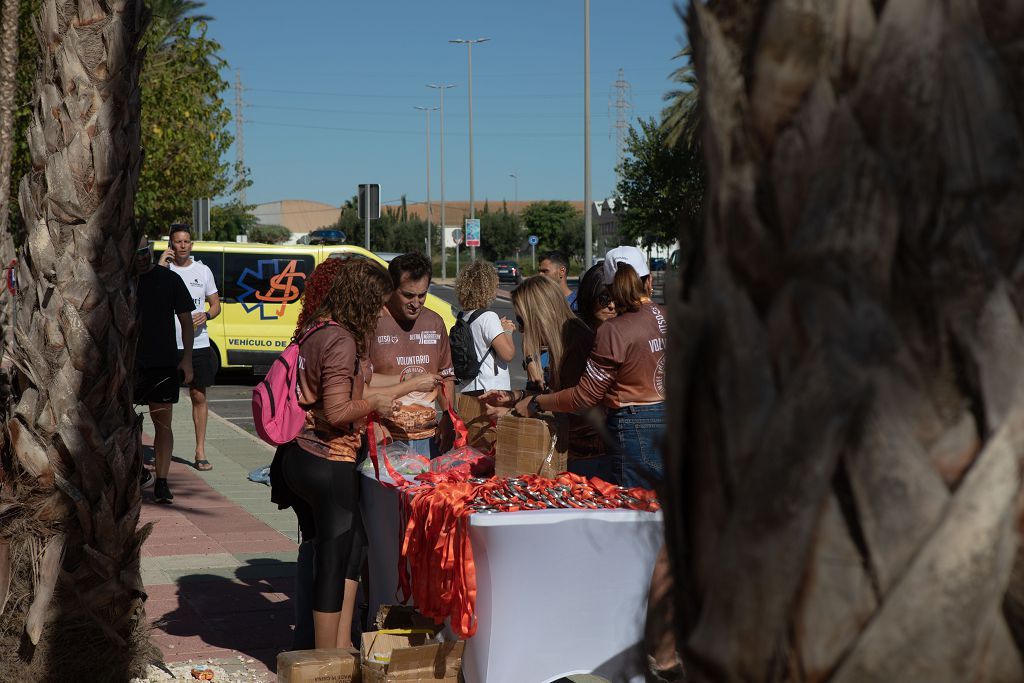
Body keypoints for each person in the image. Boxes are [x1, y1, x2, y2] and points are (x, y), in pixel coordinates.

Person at [273, 258, 398, 650]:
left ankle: (342, 647)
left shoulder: (316, 328)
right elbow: (337, 410)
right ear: (361, 298)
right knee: (333, 558)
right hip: (328, 461)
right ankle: (326, 658)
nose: (382, 312)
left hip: (301, 457)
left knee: (351, 547)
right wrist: (379, 402)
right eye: (378, 303)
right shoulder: (341, 339)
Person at [513, 246, 667, 488]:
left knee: (634, 512)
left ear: (607, 286)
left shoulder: (614, 330)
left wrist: (536, 403)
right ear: (648, 281)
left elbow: (585, 396)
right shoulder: (664, 315)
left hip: (633, 426)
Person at [482, 276, 610, 477]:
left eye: (522, 321)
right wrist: (515, 397)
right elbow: (556, 394)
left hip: (588, 456)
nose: (522, 330)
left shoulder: (576, 343)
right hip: (577, 450)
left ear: (539, 315)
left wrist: (527, 407)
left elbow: (576, 401)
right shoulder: (564, 340)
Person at [369, 253, 454, 458]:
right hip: (383, 436)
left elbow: (446, 375)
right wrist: (370, 423)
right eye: (408, 295)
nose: (416, 303)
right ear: (390, 289)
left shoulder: (434, 322)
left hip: (428, 438)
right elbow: (359, 383)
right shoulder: (372, 321)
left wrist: (449, 418)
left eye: (422, 295)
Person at [133, 236, 195, 504]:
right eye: (135, 253)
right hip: (129, 365)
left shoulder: (169, 280)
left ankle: (161, 480)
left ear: (151, 251)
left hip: (163, 363)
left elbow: (186, 321)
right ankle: (135, 473)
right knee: (126, 422)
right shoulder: (121, 280)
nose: (141, 258)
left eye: (144, 252)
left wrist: (187, 359)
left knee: (163, 424)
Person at [160, 224, 220, 471]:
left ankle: (200, 450)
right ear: (170, 245)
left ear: (191, 244)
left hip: (198, 344)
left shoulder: (203, 271)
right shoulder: (163, 271)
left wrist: (206, 315)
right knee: (164, 401)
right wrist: (162, 264)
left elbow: (216, 305)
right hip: (167, 345)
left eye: (186, 242)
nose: (182, 246)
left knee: (198, 395)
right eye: (177, 242)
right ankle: (164, 451)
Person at [454, 261, 515, 395]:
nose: (496, 290)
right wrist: (507, 330)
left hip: (467, 388)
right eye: (495, 286)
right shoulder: (488, 317)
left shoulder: (463, 317)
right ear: (486, 288)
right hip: (490, 389)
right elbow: (507, 354)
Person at [575, 261, 617, 331]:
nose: (612, 305)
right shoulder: (571, 333)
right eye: (605, 298)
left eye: (617, 298)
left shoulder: (628, 333)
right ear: (589, 294)